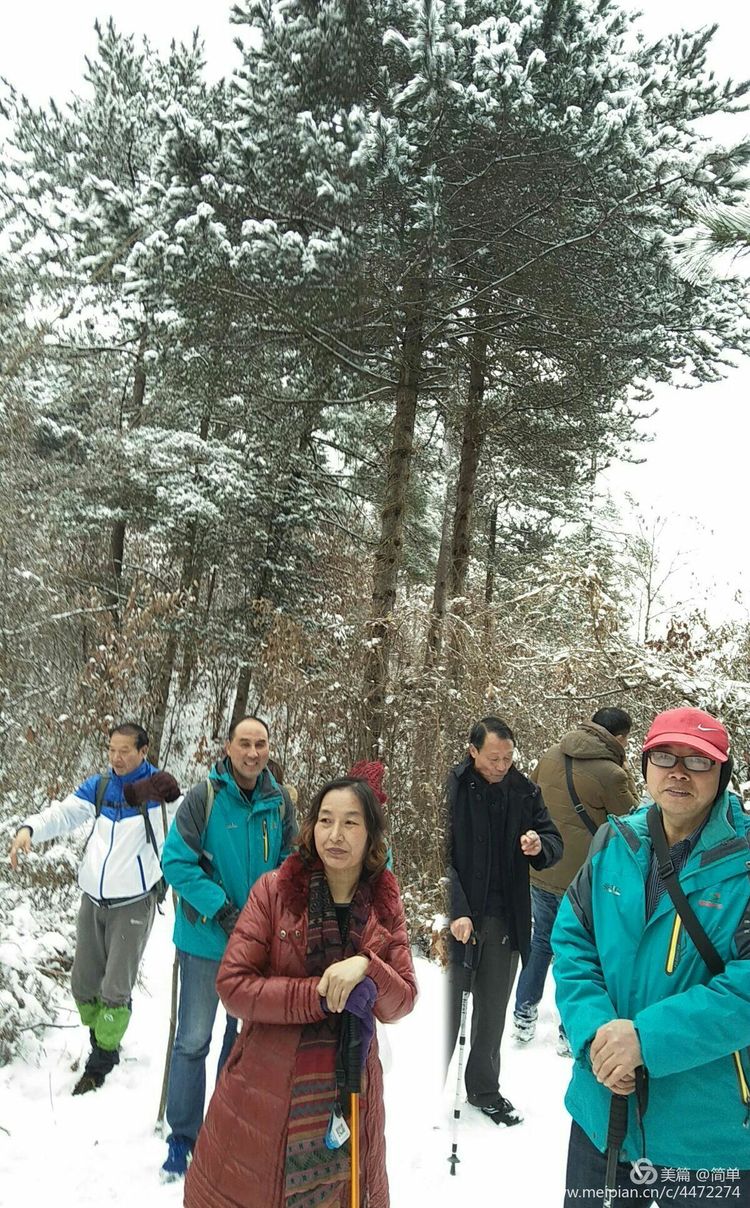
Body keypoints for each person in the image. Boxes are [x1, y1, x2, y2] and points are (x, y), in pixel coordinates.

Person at [183, 775, 417, 1208]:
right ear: (311, 828)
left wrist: (368, 966)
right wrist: (318, 996)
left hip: (352, 1084)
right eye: (326, 820)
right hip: (267, 1085)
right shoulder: (275, 892)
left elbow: (402, 1000)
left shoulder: (384, 905)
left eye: (350, 822)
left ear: (371, 834)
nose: (335, 834)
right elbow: (233, 986)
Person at [553, 707, 750, 1204]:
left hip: (707, 1136)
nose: (678, 772)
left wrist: (646, 1040)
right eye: (664, 757)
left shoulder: (744, 865)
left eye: (698, 761)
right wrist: (597, 1036)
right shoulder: (613, 842)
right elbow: (573, 942)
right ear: (644, 766)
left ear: (723, 773)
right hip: (605, 1117)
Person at [159, 714, 296, 1180]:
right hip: (204, 941)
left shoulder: (279, 801)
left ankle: (224, 1128)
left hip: (256, 945)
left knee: (241, 1044)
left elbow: (288, 864)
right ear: (229, 747)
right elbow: (176, 862)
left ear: (268, 748)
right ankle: (183, 1136)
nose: (253, 752)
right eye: (245, 743)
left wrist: (271, 915)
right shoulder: (204, 798)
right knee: (193, 1040)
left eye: (261, 744)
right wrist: (220, 908)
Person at [8, 722, 179, 1094]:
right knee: (83, 985)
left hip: (133, 904)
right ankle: (100, 1039)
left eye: (125, 751)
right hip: (92, 900)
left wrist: (169, 798)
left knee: (116, 989)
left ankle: (101, 1062)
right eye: (111, 750)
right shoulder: (100, 787)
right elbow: (65, 813)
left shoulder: (159, 790)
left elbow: (186, 823)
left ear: (143, 751)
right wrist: (29, 829)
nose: (116, 758)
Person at [446, 716, 562, 1124]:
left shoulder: (524, 791)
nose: (501, 766)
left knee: (492, 1011)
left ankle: (483, 1089)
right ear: (472, 751)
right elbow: (442, 858)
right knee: (447, 1008)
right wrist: (457, 909)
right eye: (493, 758)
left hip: (503, 917)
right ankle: (428, 1087)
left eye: (508, 758)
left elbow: (554, 840)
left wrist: (539, 844)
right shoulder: (452, 788)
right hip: (458, 913)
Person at [512, 707, 638, 1051]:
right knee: (580, 952)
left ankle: (523, 1014)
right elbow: (633, 824)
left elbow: (527, 802)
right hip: (584, 881)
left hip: (541, 868)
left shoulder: (551, 755)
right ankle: (570, 1030)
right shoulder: (612, 774)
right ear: (620, 738)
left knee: (542, 941)